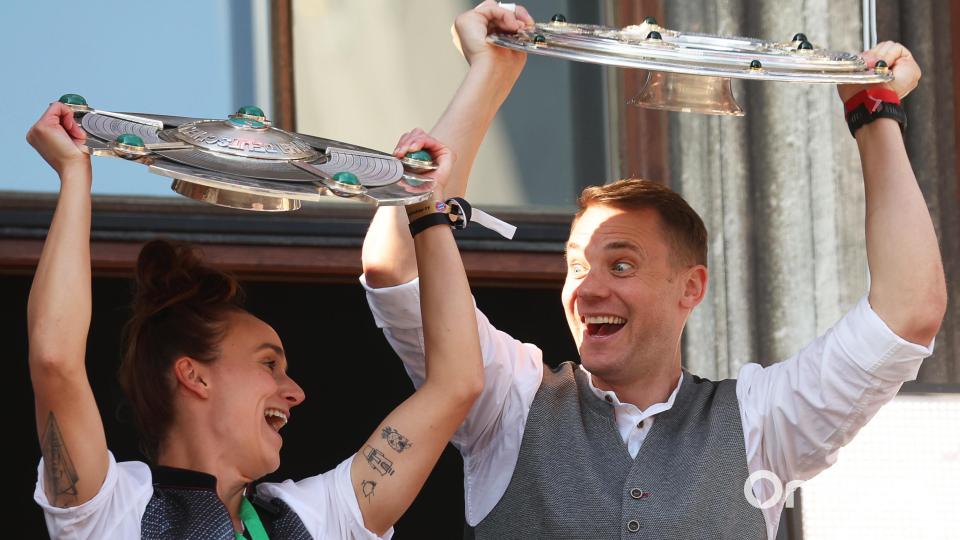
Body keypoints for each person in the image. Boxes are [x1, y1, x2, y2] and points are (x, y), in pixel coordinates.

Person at [361, 2, 947, 539]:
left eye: (620, 264)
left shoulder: (761, 423)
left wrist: (875, 114)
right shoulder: (508, 400)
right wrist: (489, 73)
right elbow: (399, 265)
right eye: (575, 265)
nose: (588, 288)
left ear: (691, 288)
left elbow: (906, 314)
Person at [26, 100, 483, 539]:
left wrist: (427, 209)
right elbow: (54, 358)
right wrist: (74, 174)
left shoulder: (313, 520)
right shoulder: (114, 512)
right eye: (269, 364)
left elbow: (456, 383)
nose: (297, 392)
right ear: (193, 376)